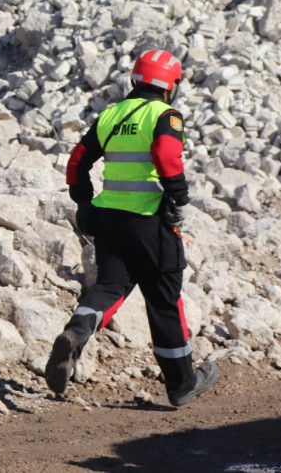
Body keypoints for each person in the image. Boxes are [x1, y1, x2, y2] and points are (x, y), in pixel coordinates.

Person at [45, 48, 217, 407]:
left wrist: (83, 200)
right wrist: (179, 199)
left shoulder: (112, 114)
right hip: (150, 224)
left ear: (135, 79)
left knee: (109, 287)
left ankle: (75, 336)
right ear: (170, 86)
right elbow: (168, 156)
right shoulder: (165, 115)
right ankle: (182, 383)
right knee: (164, 300)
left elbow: (77, 160)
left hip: (110, 221)